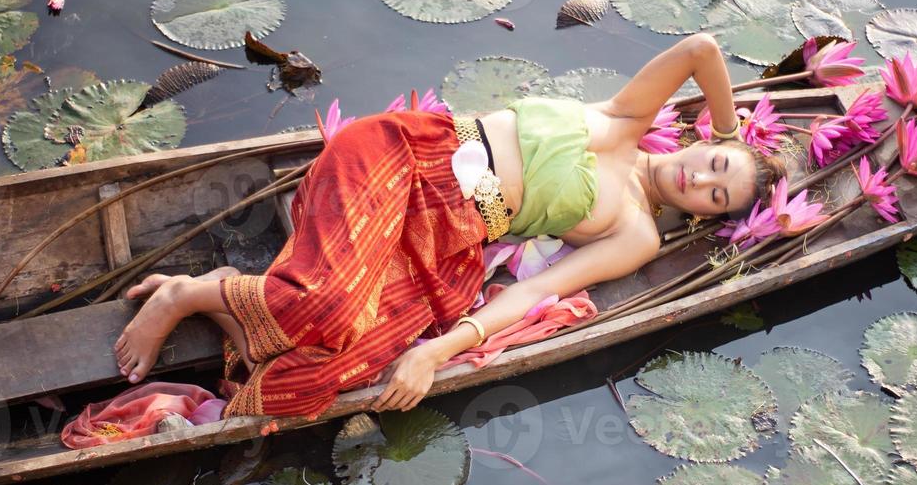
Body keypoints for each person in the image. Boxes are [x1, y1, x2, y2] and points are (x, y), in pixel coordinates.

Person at [112, 32, 786, 418]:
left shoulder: (636, 233)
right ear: (702, 142)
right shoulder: (627, 117)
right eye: (716, 163)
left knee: (340, 365)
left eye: (717, 198)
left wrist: (435, 353)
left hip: (440, 238)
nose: (700, 181)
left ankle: (239, 296)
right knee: (330, 302)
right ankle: (186, 295)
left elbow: (528, 295)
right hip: (405, 154)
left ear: (706, 219)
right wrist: (732, 125)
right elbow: (701, 48)